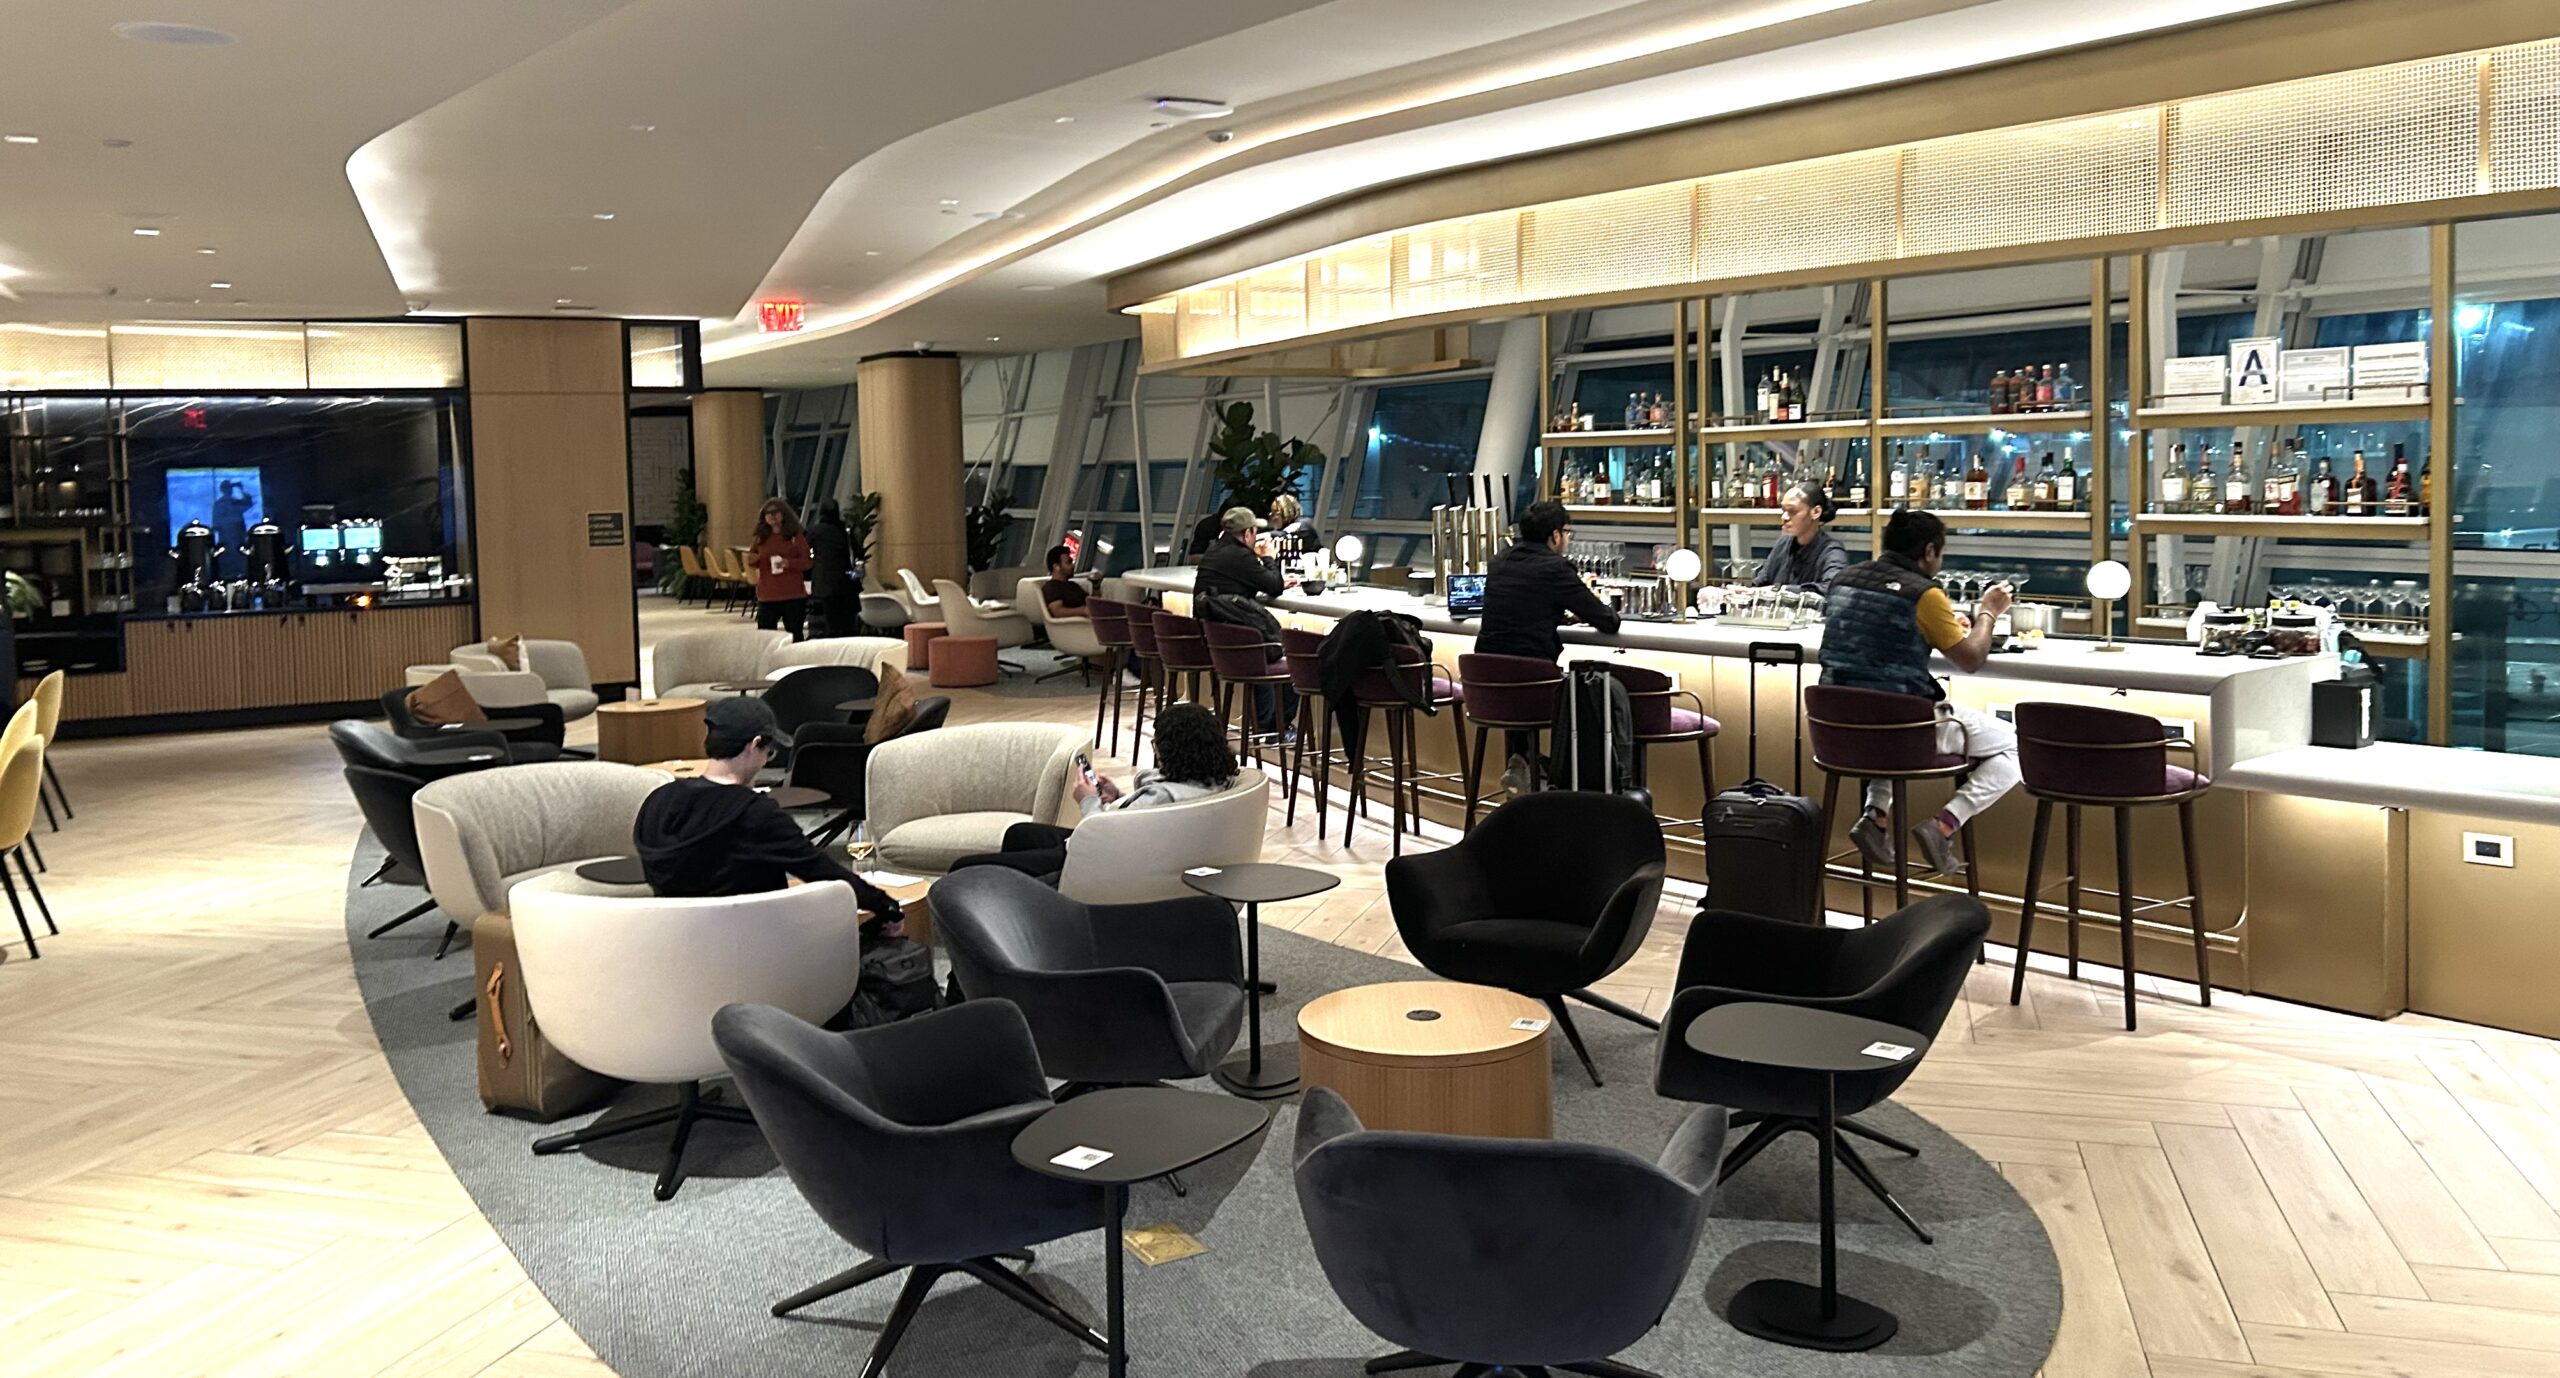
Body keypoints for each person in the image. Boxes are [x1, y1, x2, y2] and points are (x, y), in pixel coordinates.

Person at [1818, 507, 2021, 877]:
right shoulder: (1925, 594)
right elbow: (1971, 658)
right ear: (1929, 551)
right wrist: (1988, 613)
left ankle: (1876, 816)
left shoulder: (1843, 580)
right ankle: (1944, 824)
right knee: (2016, 745)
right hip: (1903, 730)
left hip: (1839, 729)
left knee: (1886, 725)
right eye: (1939, 554)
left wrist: (1940, 624)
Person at [632, 696, 904, 933]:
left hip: (676, 940)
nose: (766, 761)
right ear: (755, 745)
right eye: (769, 752)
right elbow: (819, 870)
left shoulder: (658, 801)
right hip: (757, 946)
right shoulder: (754, 814)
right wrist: (886, 906)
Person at [949, 703, 1238, 880]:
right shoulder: (1212, 782)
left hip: (1095, 859)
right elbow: (1146, 816)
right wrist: (1121, 796)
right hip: (1128, 847)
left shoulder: (1162, 797)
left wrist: (1087, 799)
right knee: (1020, 833)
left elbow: (1097, 833)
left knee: (965, 867)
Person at [1478, 499, 1623, 792]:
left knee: (1521, 673)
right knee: (1589, 694)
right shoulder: (1554, 567)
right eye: (1568, 532)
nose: (1567, 539)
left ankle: (1524, 761)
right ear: (1555, 535)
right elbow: (1608, 621)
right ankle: (1572, 782)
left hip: (1487, 685)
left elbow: (1522, 607)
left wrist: (1556, 612)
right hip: (1532, 684)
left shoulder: (1500, 561)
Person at [1194, 507, 1293, 736]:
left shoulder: (1214, 551)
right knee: (1290, 656)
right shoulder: (1241, 556)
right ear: (1247, 533)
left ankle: (1263, 726)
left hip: (1219, 644)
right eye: (1255, 532)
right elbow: (1274, 586)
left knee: (1260, 651)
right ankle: (1276, 728)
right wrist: (1268, 557)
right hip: (1242, 647)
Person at [1754, 484, 1850, 594]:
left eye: (1792, 511)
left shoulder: (1833, 552)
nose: (1784, 517)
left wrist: (1782, 590)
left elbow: (1832, 589)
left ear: (1816, 512)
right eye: (1783, 510)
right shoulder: (1782, 543)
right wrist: (1745, 592)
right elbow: (1762, 581)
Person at [748, 498, 814, 639]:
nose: (771, 516)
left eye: (775, 512)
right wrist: (753, 560)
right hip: (768, 594)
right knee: (764, 636)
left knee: (795, 634)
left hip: (792, 594)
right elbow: (752, 558)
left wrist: (789, 563)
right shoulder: (760, 538)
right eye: (768, 513)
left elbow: (807, 562)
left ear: (784, 514)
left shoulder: (795, 536)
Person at [807, 500, 858, 638]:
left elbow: (806, 551)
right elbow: (857, 553)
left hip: (824, 581)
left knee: (829, 618)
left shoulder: (814, 531)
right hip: (845, 580)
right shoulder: (846, 530)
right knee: (846, 619)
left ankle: (831, 638)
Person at [1039, 543, 1090, 621]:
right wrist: (1082, 611)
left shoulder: (1073, 585)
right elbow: (1057, 611)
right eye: (1068, 562)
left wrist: (1096, 587)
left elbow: (1090, 602)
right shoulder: (1052, 587)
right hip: (1075, 626)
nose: (1073, 566)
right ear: (1056, 566)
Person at [1267, 492, 1318, 558]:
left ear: (1286, 511)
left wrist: (1258, 536)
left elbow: (1284, 534)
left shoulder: (1303, 525)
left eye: (1274, 514)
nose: (1272, 518)